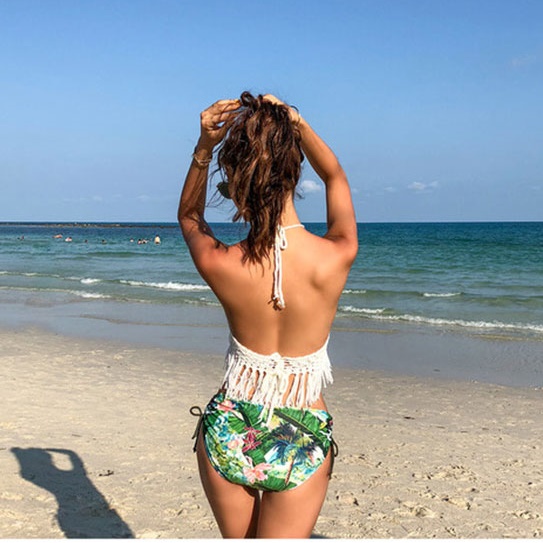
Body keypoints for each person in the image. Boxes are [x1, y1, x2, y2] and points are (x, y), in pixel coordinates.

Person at [178, 92, 357, 538]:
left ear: (237, 181)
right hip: (301, 435)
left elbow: (189, 216)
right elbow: (335, 175)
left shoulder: (222, 263)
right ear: (295, 172)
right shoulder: (335, 256)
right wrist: (297, 123)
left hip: (230, 427)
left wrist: (204, 147)